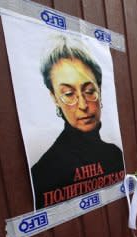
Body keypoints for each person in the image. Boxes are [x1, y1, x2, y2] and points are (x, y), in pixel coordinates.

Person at [31, 36, 124, 209]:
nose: (83, 105)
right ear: (55, 98)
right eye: (68, 94)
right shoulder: (43, 172)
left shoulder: (115, 155)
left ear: (100, 90)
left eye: (89, 91)